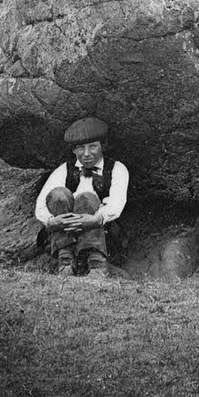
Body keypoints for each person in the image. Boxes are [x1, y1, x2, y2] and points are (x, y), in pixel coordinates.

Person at [34, 117, 129, 277]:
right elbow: (41, 203)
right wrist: (51, 221)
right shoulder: (64, 169)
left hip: (103, 236)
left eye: (92, 147)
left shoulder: (117, 169)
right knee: (58, 194)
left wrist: (97, 219)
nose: (86, 154)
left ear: (103, 146)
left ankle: (97, 265)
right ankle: (66, 262)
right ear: (73, 150)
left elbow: (116, 203)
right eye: (80, 148)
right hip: (67, 234)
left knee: (86, 198)